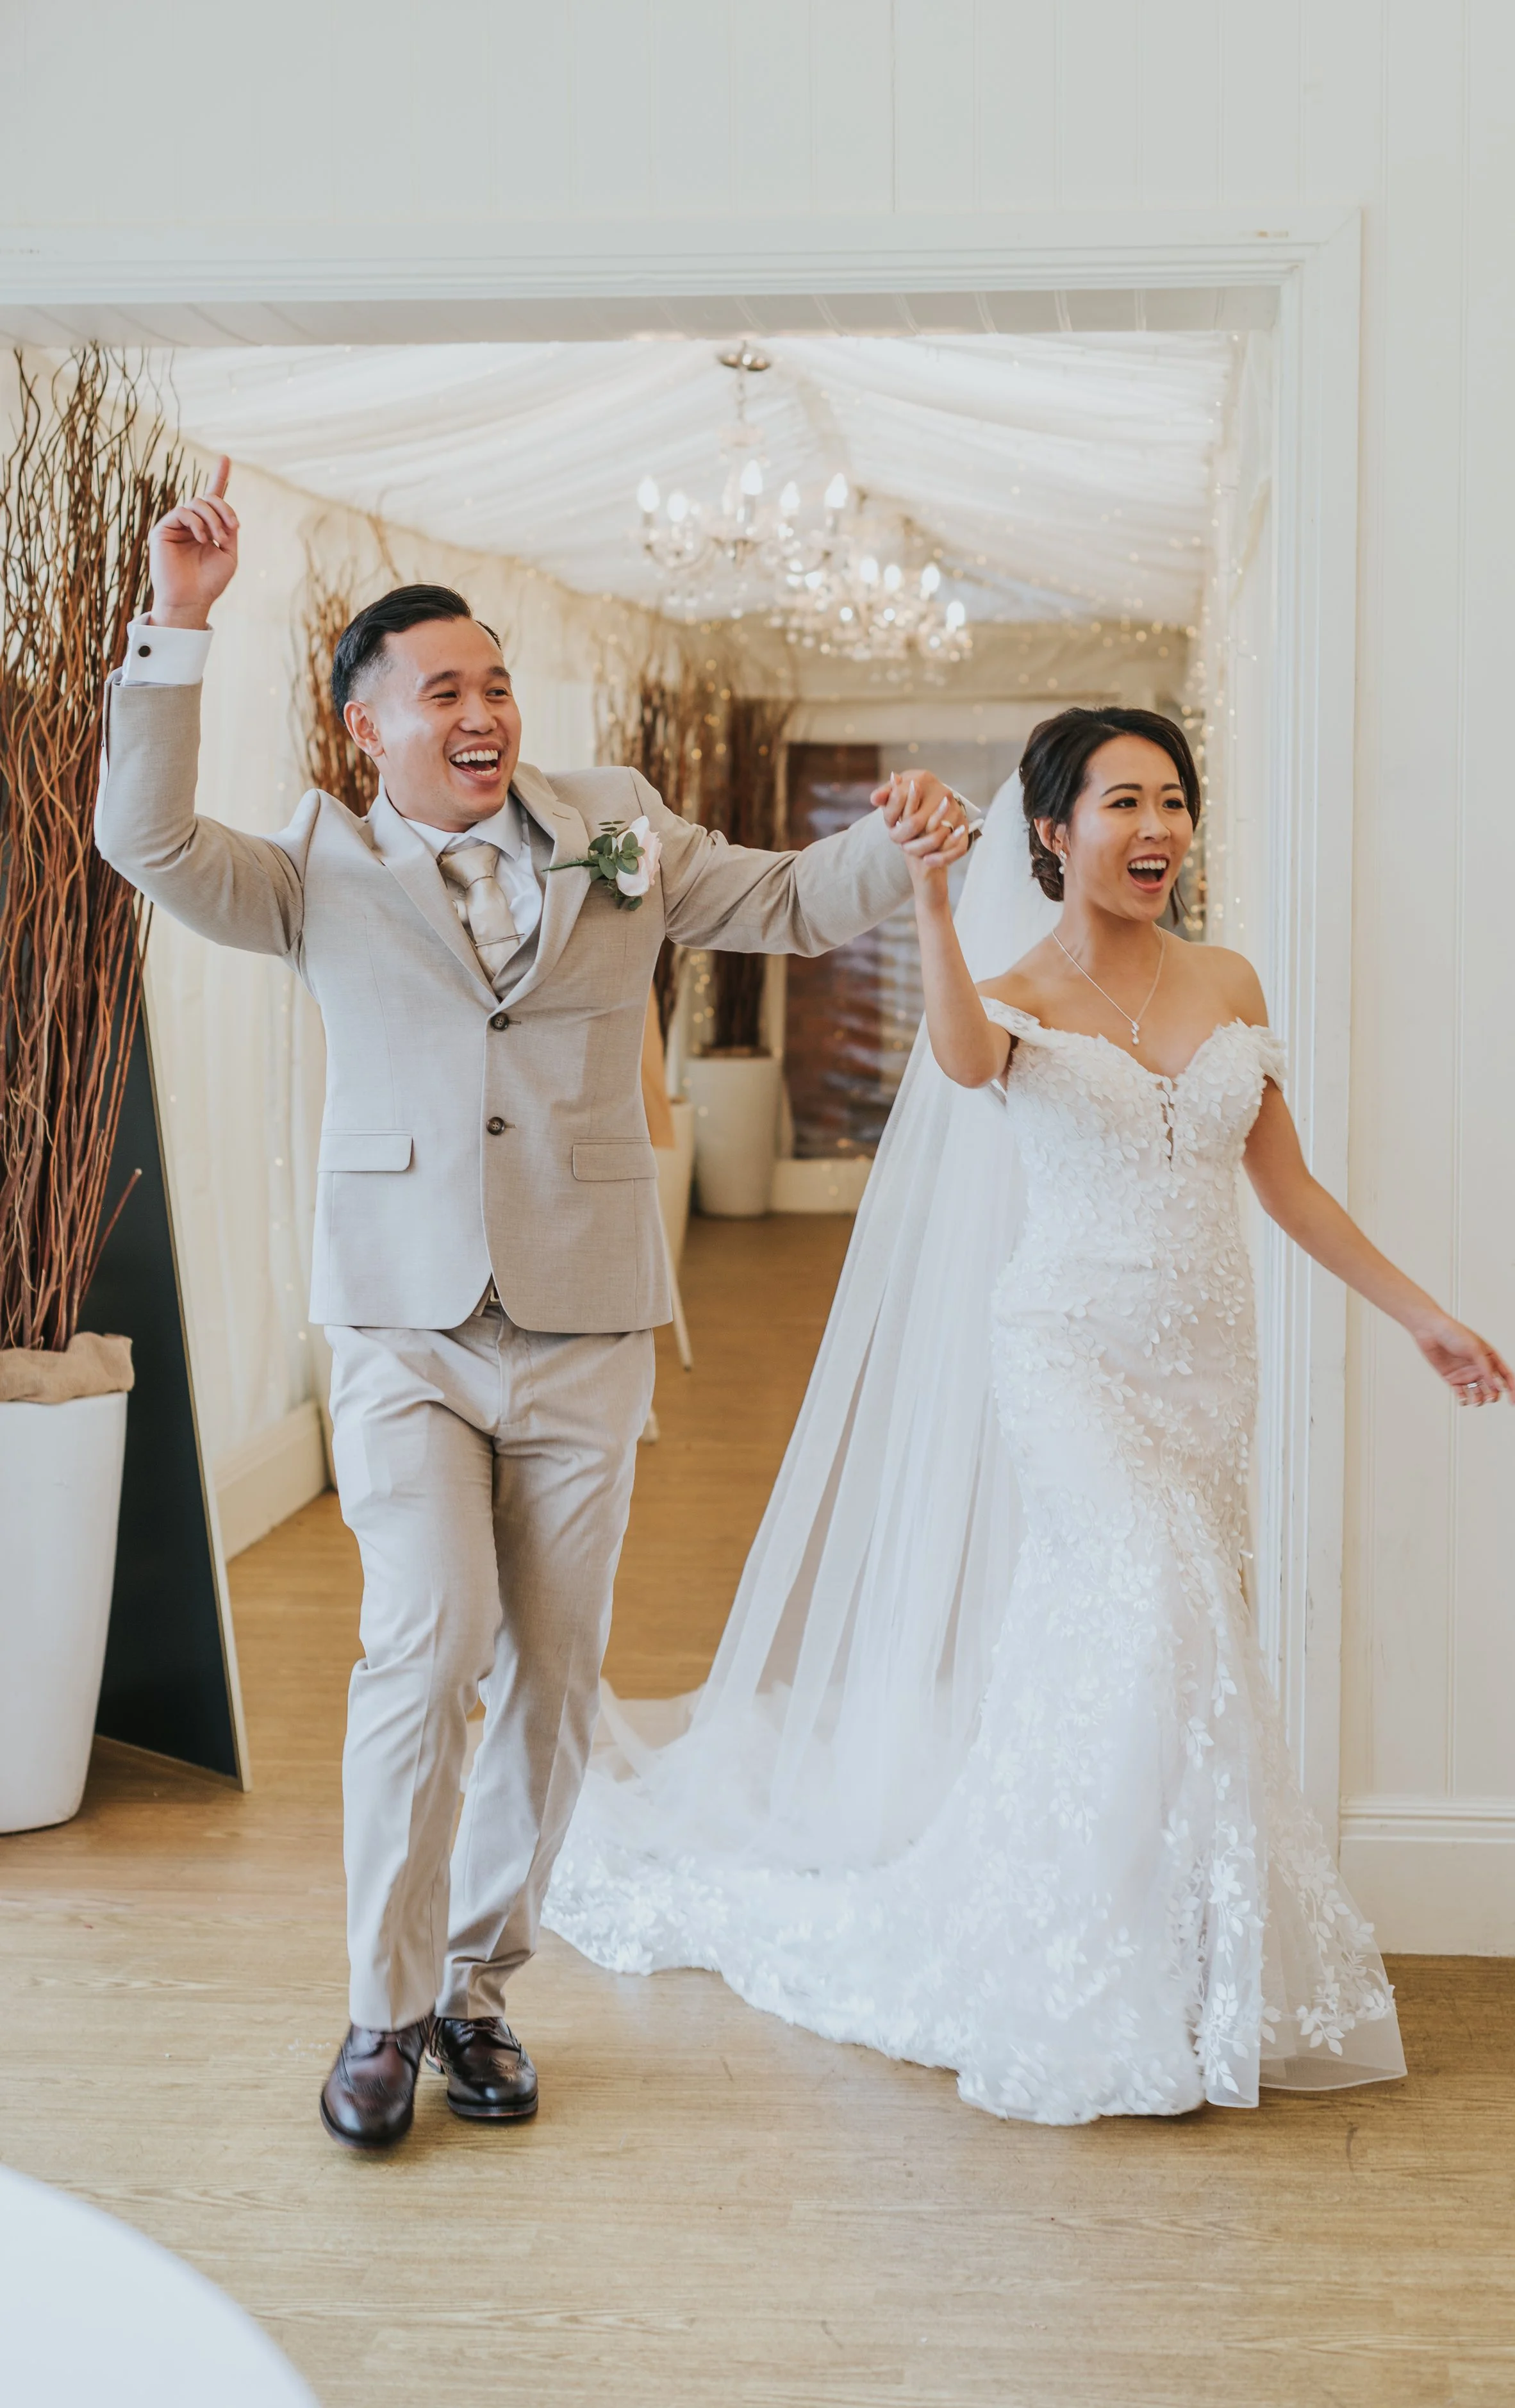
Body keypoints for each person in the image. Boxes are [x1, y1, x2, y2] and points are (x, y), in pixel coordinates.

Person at [94, 460, 963, 2150]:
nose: (484, 711)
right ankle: (380, 2004)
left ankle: (479, 1988)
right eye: (447, 691)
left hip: (583, 1318)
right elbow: (142, 838)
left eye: (498, 683)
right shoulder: (308, 866)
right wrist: (175, 628)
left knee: (557, 1678)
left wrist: (893, 850)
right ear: (368, 730)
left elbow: (779, 904)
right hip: (403, 1327)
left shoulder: (616, 823)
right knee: (425, 1648)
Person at [547, 709, 1515, 2125]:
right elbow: (956, 1062)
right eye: (1122, 802)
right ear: (1051, 835)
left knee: (1163, 1649)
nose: (1157, 830)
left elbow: (1285, 1188)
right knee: (1148, 1601)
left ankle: (1173, 1951)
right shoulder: (1006, 989)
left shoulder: (1227, 977)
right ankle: (1075, 1971)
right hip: (1065, 1352)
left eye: (1172, 801)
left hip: (1202, 1364)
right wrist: (931, 898)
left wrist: (1418, 1312)